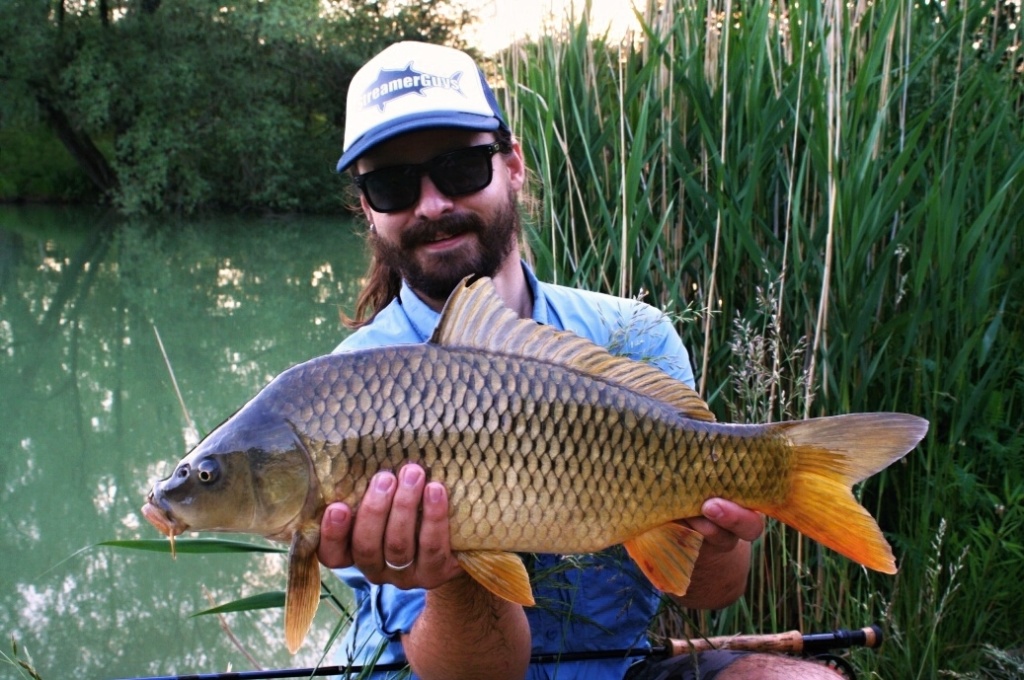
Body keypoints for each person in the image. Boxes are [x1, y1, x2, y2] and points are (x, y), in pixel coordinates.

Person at [317, 41, 840, 680]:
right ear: (368, 209)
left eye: (460, 168)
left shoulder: (630, 334)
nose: (431, 204)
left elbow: (711, 589)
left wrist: (718, 527)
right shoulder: (341, 400)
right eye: (392, 184)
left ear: (513, 165)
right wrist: (453, 574)